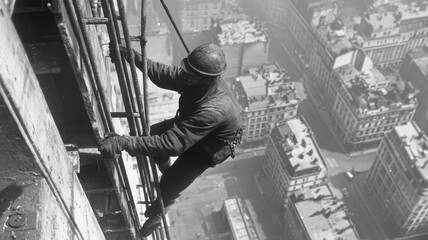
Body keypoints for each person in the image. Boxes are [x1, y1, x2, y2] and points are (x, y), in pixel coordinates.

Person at [100, 43, 242, 237]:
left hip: (208, 147)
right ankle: (166, 166)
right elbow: (165, 75)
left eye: (191, 73)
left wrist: (124, 142)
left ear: (206, 79)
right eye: (187, 69)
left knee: (169, 184)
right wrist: (132, 57)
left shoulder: (214, 109)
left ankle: (156, 218)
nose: (185, 74)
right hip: (192, 124)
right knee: (149, 139)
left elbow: (172, 143)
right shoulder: (196, 79)